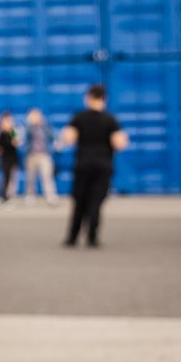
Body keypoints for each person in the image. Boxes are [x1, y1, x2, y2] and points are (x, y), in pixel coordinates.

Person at [60, 85, 128, 248]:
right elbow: (119, 144)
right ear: (104, 99)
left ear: (88, 97)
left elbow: (68, 138)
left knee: (79, 201)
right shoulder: (110, 119)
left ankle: (72, 237)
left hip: (83, 165)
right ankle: (92, 237)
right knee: (96, 201)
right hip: (103, 166)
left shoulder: (79, 117)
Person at [23, 107, 58, 204]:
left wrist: (56, 144)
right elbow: (23, 137)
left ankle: (50, 196)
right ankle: (30, 195)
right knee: (30, 177)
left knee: (47, 176)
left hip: (44, 154)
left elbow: (53, 136)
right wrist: (30, 123)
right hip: (31, 154)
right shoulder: (28, 127)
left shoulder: (45, 126)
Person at [0, 111, 21, 206]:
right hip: (4, 158)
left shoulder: (12, 131)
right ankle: (3, 197)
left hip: (13, 157)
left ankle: (9, 195)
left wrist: (13, 135)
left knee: (12, 178)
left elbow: (16, 142)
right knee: (5, 177)